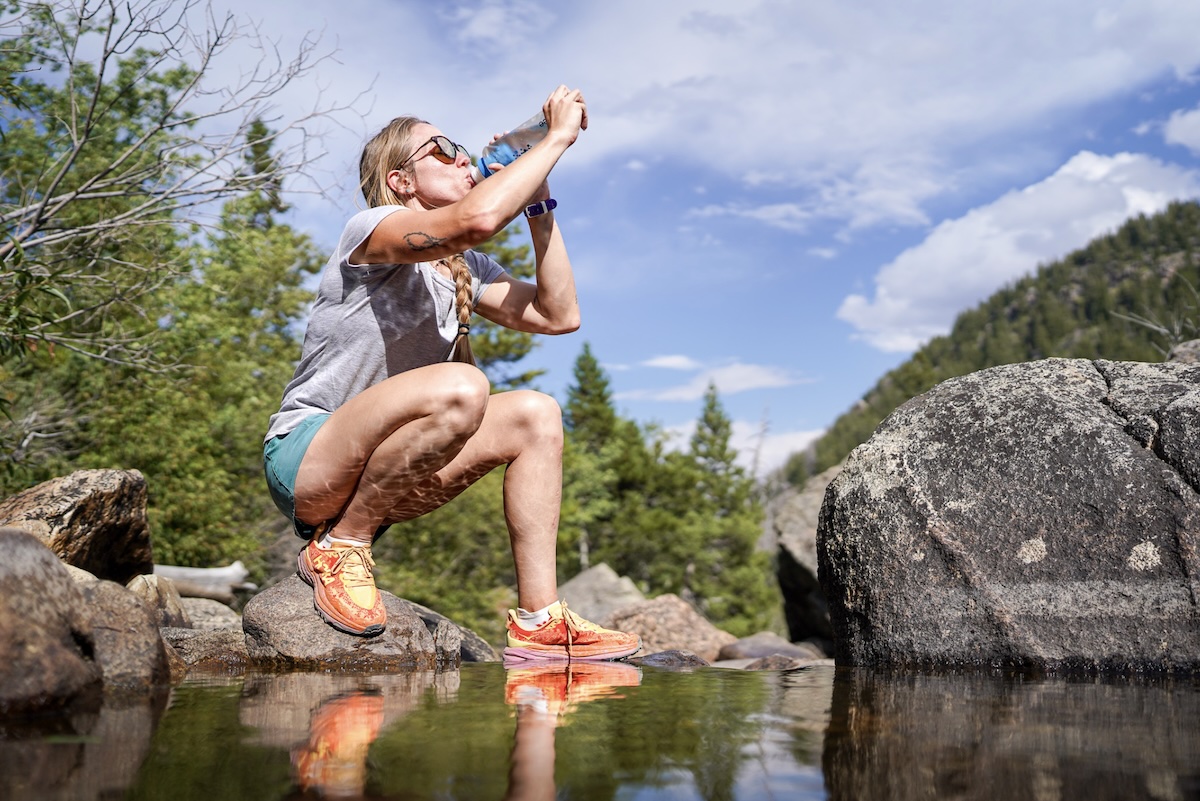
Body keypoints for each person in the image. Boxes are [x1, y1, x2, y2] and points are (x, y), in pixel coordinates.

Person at [262, 85, 640, 662]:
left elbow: (559, 316)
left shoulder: (465, 267)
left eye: (462, 149)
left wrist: (538, 203)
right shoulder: (372, 229)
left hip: (383, 476)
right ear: (401, 180)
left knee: (536, 414)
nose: (463, 158)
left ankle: (539, 620)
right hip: (308, 456)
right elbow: (478, 219)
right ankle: (341, 546)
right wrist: (556, 138)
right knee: (464, 387)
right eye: (443, 149)